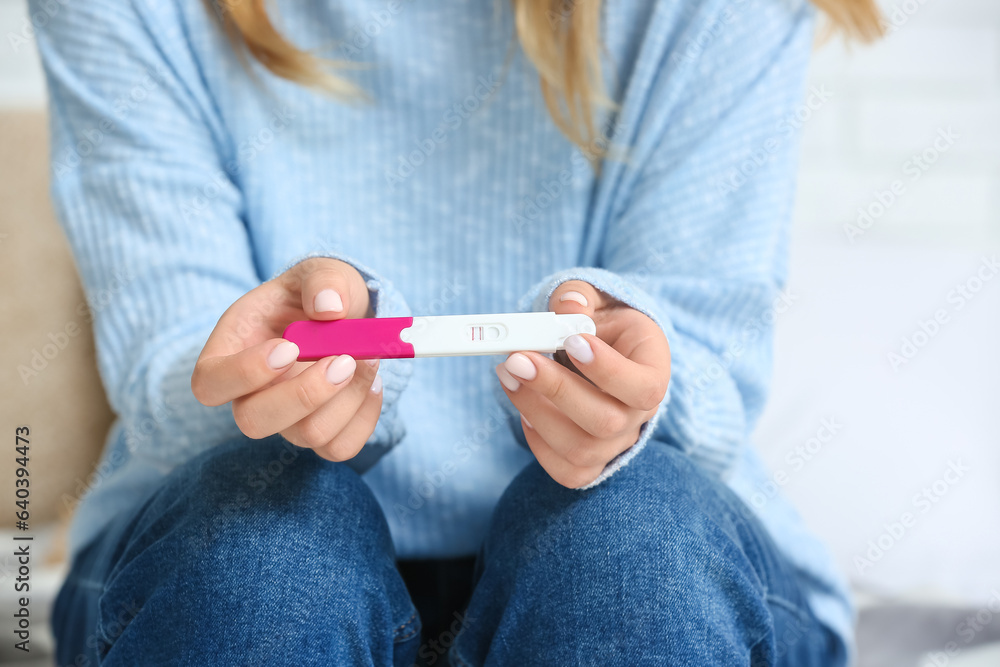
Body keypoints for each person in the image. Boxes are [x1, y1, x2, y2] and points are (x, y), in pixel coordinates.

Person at [33, 0, 881, 664]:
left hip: (656, 567)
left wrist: (630, 368)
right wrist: (284, 369)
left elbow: (713, 372)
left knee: (630, 550)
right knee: (262, 555)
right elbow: (168, 380)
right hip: (218, 555)